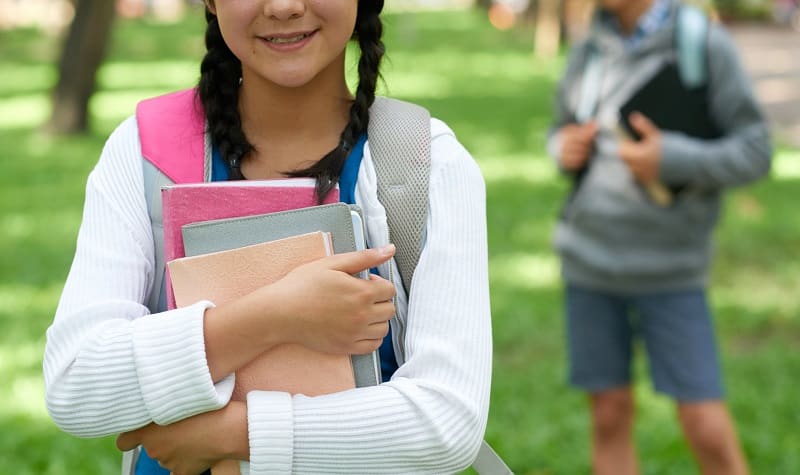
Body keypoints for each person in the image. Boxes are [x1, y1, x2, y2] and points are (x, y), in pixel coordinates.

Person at [43, 1, 492, 473]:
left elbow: (448, 422)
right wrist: (277, 315)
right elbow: (76, 384)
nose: (283, 7)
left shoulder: (423, 163)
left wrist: (235, 434)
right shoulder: (145, 153)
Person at [548, 0, 771, 474]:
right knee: (607, 414)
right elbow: (560, 129)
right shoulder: (588, 46)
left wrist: (673, 158)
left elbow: (756, 151)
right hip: (588, 262)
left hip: (671, 270)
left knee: (704, 423)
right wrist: (562, 148)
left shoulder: (703, 43)